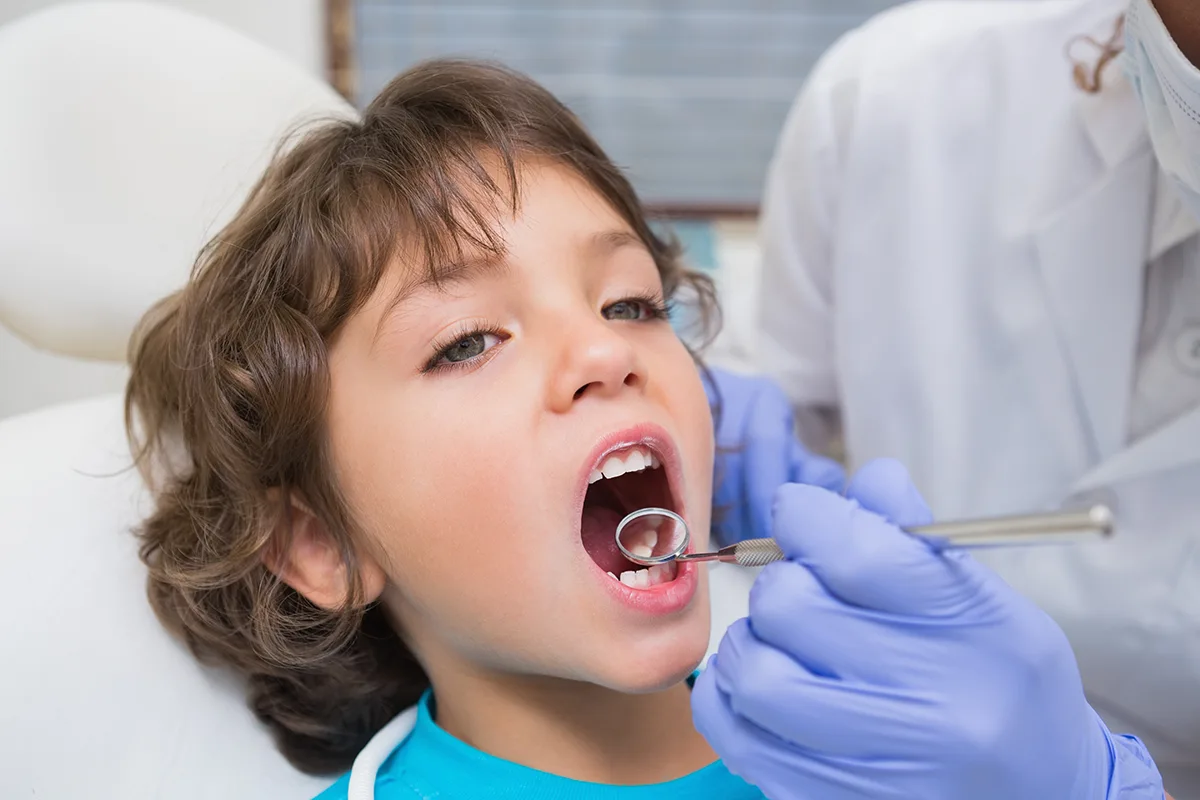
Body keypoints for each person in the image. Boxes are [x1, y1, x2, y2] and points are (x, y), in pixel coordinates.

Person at [703, 0, 1199, 795]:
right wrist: (706, 429)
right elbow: (768, 374)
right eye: (469, 343)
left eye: (622, 306)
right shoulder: (898, 94)